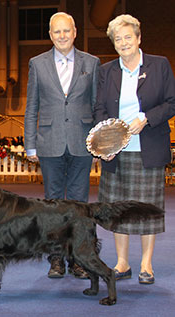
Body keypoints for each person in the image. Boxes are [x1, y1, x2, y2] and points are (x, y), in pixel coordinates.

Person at [94, 14, 175, 284]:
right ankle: (122, 263)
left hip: (148, 149)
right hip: (117, 153)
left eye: (128, 37)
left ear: (139, 38)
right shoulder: (106, 71)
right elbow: (100, 110)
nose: (124, 42)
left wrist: (148, 118)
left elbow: (171, 102)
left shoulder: (159, 65)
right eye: (118, 38)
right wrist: (104, 142)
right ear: (113, 43)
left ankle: (147, 265)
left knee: (147, 208)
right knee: (118, 209)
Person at [24, 12, 100, 278]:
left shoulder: (92, 62)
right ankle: (56, 258)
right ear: (50, 34)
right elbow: (31, 105)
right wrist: (30, 144)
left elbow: (96, 106)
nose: (62, 36)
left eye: (66, 31)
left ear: (75, 32)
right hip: (49, 143)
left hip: (82, 143)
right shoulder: (37, 63)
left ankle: (79, 259)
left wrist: (99, 143)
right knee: (52, 205)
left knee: (80, 205)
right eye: (57, 32)